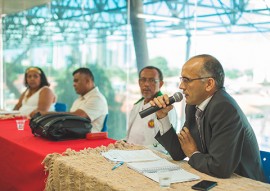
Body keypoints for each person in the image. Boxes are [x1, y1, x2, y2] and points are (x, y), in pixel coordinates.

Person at [151, 54, 265, 182]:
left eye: (187, 80)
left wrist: (193, 153)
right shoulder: (193, 106)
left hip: (243, 182)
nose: (181, 86)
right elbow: (178, 152)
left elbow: (220, 167)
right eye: (181, 79)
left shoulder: (224, 108)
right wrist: (162, 116)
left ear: (209, 84)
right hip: (212, 177)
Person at [126, 66, 178, 146]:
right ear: (139, 82)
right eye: (143, 80)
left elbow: (168, 143)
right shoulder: (137, 105)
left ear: (160, 84)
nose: (146, 84)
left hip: (152, 156)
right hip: (129, 153)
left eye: (152, 80)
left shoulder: (166, 107)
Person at [69, 67, 108, 132]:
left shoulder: (97, 99)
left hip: (89, 140)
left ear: (88, 81)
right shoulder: (78, 100)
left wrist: (50, 114)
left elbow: (77, 117)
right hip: (76, 137)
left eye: (76, 81)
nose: (74, 84)